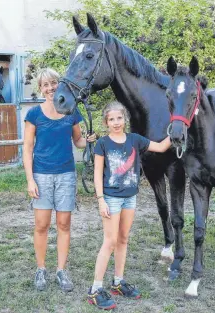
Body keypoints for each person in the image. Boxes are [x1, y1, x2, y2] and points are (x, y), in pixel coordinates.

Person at [87, 101, 172, 310]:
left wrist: (179, 127)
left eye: (119, 118)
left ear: (125, 119)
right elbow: (97, 174)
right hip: (111, 198)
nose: (116, 122)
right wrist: (100, 200)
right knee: (110, 241)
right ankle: (95, 289)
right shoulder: (102, 144)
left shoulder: (135, 140)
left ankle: (117, 281)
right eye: (111, 119)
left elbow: (161, 147)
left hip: (130, 198)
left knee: (123, 239)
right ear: (106, 122)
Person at [23, 68, 96, 292]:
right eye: (45, 85)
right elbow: (27, 149)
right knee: (42, 225)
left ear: (60, 84)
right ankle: (41, 269)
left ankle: (61, 271)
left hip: (66, 175)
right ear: (40, 89)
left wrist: (90, 139)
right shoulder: (34, 114)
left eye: (54, 83)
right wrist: (30, 180)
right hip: (42, 175)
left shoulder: (70, 110)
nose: (50, 88)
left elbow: (78, 142)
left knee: (64, 224)